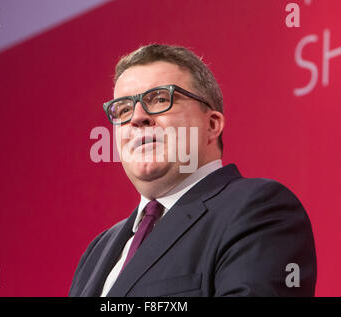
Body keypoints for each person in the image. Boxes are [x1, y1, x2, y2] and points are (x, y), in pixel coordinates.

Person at [69, 44, 316, 297]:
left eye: (160, 99)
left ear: (212, 124)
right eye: (123, 109)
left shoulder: (260, 210)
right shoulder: (97, 251)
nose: (137, 117)